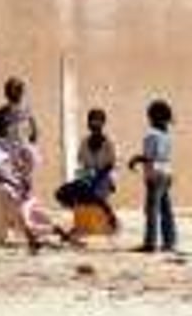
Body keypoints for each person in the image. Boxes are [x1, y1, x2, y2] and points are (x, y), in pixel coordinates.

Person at [0, 109, 72, 252]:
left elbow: (16, 167)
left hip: (13, 184)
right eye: (5, 124)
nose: (7, 128)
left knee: (32, 205)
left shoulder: (5, 145)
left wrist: (22, 179)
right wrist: (10, 181)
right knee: (14, 202)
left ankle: (52, 230)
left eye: (7, 124)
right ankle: (32, 235)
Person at [55, 108, 118, 230]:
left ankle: (110, 216)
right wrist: (84, 177)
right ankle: (81, 217)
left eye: (97, 121)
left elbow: (110, 165)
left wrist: (97, 177)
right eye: (92, 121)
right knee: (61, 193)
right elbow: (83, 165)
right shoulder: (84, 142)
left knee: (92, 193)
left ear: (103, 123)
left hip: (104, 179)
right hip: (88, 178)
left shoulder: (109, 143)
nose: (94, 124)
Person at [129, 99, 178, 252]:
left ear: (154, 117)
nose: (148, 119)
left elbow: (150, 157)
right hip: (167, 174)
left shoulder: (151, 135)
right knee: (166, 210)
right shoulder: (167, 135)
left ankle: (150, 243)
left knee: (151, 210)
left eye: (149, 116)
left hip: (155, 176)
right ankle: (169, 242)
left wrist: (135, 159)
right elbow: (165, 156)